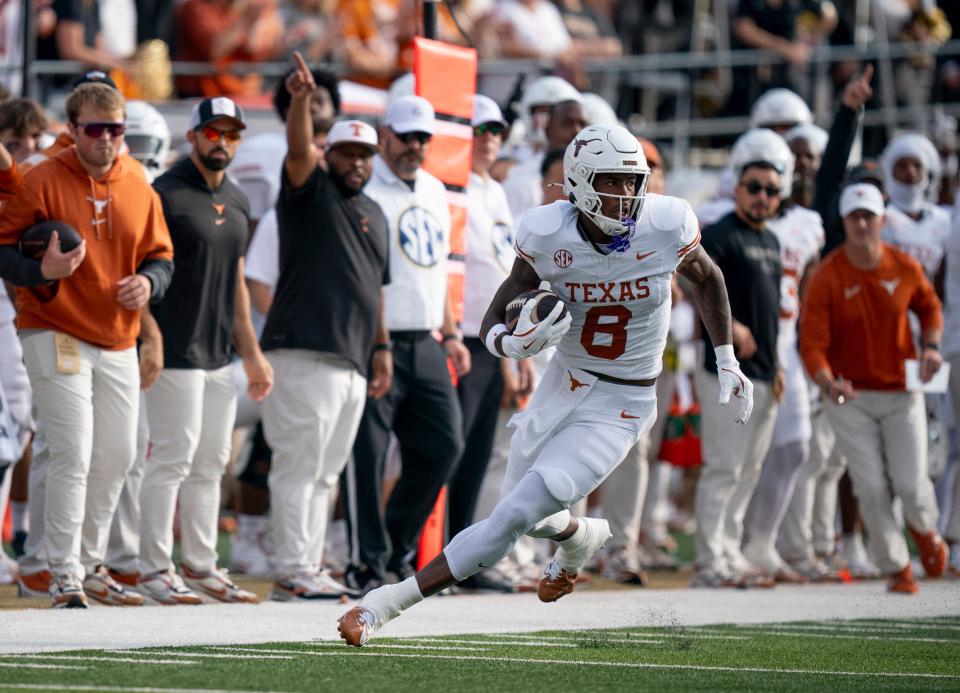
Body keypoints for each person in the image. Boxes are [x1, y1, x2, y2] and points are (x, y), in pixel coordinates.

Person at [337, 123, 753, 646]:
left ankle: (382, 605)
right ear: (577, 183)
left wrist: (725, 357)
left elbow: (707, 276)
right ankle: (580, 538)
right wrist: (508, 344)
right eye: (611, 182)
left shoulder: (667, 224)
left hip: (622, 400)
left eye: (632, 181)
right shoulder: (546, 233)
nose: (625, 196)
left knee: (512, 513)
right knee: (529, 511)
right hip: (563, 380)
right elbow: (500, 307)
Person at [0, 82, 174, 608]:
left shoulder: (138, 181)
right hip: (52, 325)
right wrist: (40, 270)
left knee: (119, 455)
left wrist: (148, 283)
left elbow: (161, 257)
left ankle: (92, 562)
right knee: (73, 448)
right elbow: (4, 249)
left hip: (117, 332)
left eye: (115, 130)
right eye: (95, 130)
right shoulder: (40, 177)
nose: (106, 140)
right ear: (72, 130)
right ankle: (62, 570)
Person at [260, 53, 391, 600]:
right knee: (300, 464)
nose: (357, 162)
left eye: (365, 154)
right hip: (302, 350)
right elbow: (295, 150)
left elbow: (374, 289)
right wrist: (298, 100)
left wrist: (380, 348)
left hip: (353, 359)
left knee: (326, 471)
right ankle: (292, 567)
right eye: (347, 152)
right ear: (327, 152)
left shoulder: (377, 213)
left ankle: (307, 564)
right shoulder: (309, 191)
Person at [136, 97, 273, 605]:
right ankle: (153, 568)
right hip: (172, 347)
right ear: (192, 136)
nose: (222, 142)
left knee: (212, 461)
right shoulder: (165, 193)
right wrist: (148, 334)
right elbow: (140, 267)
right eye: (213, 133)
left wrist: (252, 353)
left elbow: (235, 281)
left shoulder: (237, 200)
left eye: (231, 134)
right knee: (171, 457)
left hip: (218, 353)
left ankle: (199, 564)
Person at [343, 94, 470, 593]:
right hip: (378, 338)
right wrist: (378, 342)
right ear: (384, 135)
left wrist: (452, 332)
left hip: (426, 336)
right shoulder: (365, 186)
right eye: (404, 136)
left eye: (422, 138)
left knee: (444, 445)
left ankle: (394, 547)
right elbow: (368, 276)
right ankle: (366, 562)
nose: (414, 146)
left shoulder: (436, 190)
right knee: (368, 456)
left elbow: (433, 270)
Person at [799, 183, 948, 594]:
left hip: (902, 391)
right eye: (855, 216)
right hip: (850, 397)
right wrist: (828, 382)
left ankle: (924, 530)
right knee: (870, 484)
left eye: (869, 216)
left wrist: (932, 346)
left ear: (882, 220)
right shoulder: (828, 276)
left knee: (912, 482)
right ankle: (896, 566)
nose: (862, 223)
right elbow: (811, 342)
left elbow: (929, 305)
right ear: (844, 222)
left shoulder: (902, 265)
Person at [692, 128, 786, 589]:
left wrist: (780, 364)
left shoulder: (772, 240)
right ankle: (711, 559)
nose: (762, 197)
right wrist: (732, 330)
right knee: (724, 466)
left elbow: (777, 313)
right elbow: (695, 287)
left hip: (766, 372)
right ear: (737, 188)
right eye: (754, 187)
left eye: (771, 190)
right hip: (724, 370)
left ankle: (729, 552)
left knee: (748, 471)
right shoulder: (720, 234)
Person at [448, 95, 532, 593]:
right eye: (480, 129)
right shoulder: (451, 189)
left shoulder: (494, 192)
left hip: (489, 337)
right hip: (459, 333)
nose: (490, 138)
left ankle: (462, 561)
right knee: (450, 449)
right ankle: (426, 552)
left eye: (496, 130)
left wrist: (512, 344)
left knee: (478, 454)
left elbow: (506, 273)